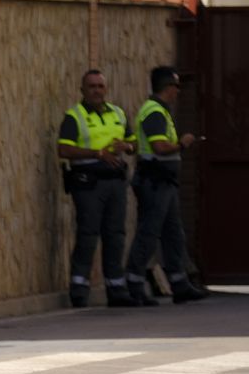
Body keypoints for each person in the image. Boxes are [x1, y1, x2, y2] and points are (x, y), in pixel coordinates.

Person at [126, 66, 210, 305]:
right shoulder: (154, 112)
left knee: (174, 234)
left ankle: (180, 284)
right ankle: (134, 284)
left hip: (164, 182)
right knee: (149, 233)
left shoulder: (160, 110)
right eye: (176, 86)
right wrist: (183, 144)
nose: (178, 91)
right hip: (155, 181)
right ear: (168, 87)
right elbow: (160, 147)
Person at [56, 69, 138, 308]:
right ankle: (79, 289)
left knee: (116, 235)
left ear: (106, 89)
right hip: (88, 182)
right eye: (91, 86)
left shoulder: (118, 113)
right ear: (82, 90)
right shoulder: (74, 116)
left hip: (115, 182)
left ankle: (116, 288)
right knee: (88, 234)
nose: (96, 91)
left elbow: (134, 142)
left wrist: (127, 147)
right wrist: (97, 153)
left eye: (100, 86)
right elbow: (64, 149)